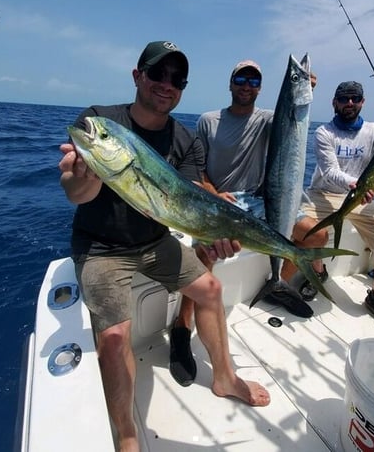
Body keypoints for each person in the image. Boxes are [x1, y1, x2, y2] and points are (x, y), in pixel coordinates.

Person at [58, 41, 270, 452]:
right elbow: (74, 193)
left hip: (156, 240)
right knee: (117, 334)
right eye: (158, 74)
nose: (166, 84)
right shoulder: (100, 121)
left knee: (210, 290)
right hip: (102, 248)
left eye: (177, 79)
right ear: (138, 76)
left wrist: (214, 229)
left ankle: (224, 377)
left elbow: (189, 196)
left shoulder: (186, 139)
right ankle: (128, 435)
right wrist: (87, 174)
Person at [169, 59, 329, 387]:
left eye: (253, 81)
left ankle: (277, 285)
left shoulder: (270, 120)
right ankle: (182, 327)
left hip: (261, 199)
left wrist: (305, 89)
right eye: (241, 79)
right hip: (221, 200)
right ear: (230, 84)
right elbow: (196, 167)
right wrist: (214, 194)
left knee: (317, 236)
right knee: (203, 257)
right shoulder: (208, 121)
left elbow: (293, 122)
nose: (246, 85)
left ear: (260, 88)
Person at [300, 80, 374, 337]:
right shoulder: (324, 132)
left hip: (362, 198)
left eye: (355, 98)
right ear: (334, 103)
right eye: (344, 98)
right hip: (324, 193)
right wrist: (356, 184)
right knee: (307, 230)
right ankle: (319, 272)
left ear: (362, 102)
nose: (350, 103)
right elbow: (329, 171)